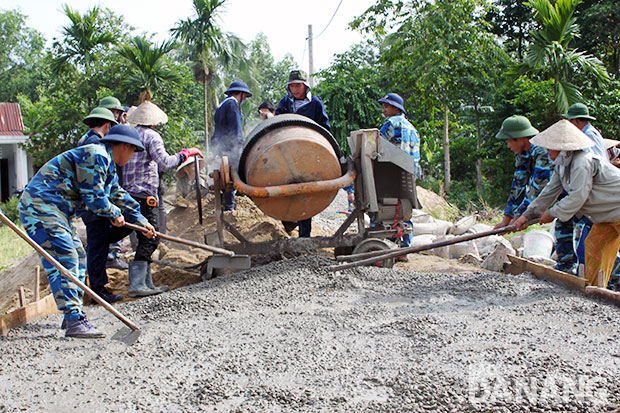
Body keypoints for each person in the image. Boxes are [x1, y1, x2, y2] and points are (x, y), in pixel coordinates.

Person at [18, 125, 156, 338]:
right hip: (41, 206)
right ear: (125, 146)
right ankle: (74, 319)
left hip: (57, 210)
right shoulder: (97, 155)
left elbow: (115, 192)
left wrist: (140, 219)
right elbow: (94, 197)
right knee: (66, 256)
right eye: (133, 151)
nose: (132, 157)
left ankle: (72, 314)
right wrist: (113, 213)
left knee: (79, 256)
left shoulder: (106, 162)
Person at [515, 120, 620, 288]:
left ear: (562, 147)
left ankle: (602, 288)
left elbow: (578, 196)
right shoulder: (562, 164)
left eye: (550, 148)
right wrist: (527, 215)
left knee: (597, 249)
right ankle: (595, 289)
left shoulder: (582, 162)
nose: (548, 152)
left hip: (616, 207)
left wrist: (553, 213)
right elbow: (550, 191)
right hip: (608, 215)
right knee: (594, 248)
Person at [122, 100, 203, 297]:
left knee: (143, 237)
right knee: (151, 238)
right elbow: (165, 163)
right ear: (154, 121)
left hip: (128, 194)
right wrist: (185, 154)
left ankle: (146, 283)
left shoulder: (129, 134)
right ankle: (137, 285)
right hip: (145, 194)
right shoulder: (152, 136)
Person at [77, 107, 134, 302]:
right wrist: (112, 211)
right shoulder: (97, 148)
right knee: (97, 246)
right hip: (94, 206)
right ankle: (98, 290)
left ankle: (96, 288)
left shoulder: (84, 140)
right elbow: (96, 190)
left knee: (98, 244)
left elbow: (113, 187)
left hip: (91, 205)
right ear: (108, 125)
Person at [276, 70, 330, 237]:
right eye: (292, 85)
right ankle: (288, 223)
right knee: (285, 188)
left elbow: (325, 128)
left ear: (305, 86)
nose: (294, 89)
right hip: (287, 154)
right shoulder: (285, 102)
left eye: (298, 85)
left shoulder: (315, 104)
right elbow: (276, 121)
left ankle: (304, 236)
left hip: (308, 155)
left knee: (306, 192)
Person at [377, 92, 421, 260]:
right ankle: (404, 249)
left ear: (396, 108)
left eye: (386, 106)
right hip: (409, 176)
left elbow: (377, 145)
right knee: (405, 211)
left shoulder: (390, 124)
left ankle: (382, 243)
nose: (384, 110)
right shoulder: (413, 128)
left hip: (392, 174)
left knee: (382, 208)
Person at [493, 115, 552, 229]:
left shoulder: (543, 151)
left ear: (519, 139)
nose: (508, 146)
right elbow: (518, 184)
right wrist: (507, 219)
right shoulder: (522, 152)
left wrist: (521, 216)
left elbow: (538, 188)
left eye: (508, 141)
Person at [211, 81, 252, 211]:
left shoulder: (222, 105)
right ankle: (233, 204)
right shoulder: (233, 104)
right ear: (241, 94)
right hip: (230, 146)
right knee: (236, 174)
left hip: (221, 146)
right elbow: (236, 129)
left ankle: (229, 203)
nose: (244, 99)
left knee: (227, 174)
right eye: (244, 96)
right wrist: (241, 146)